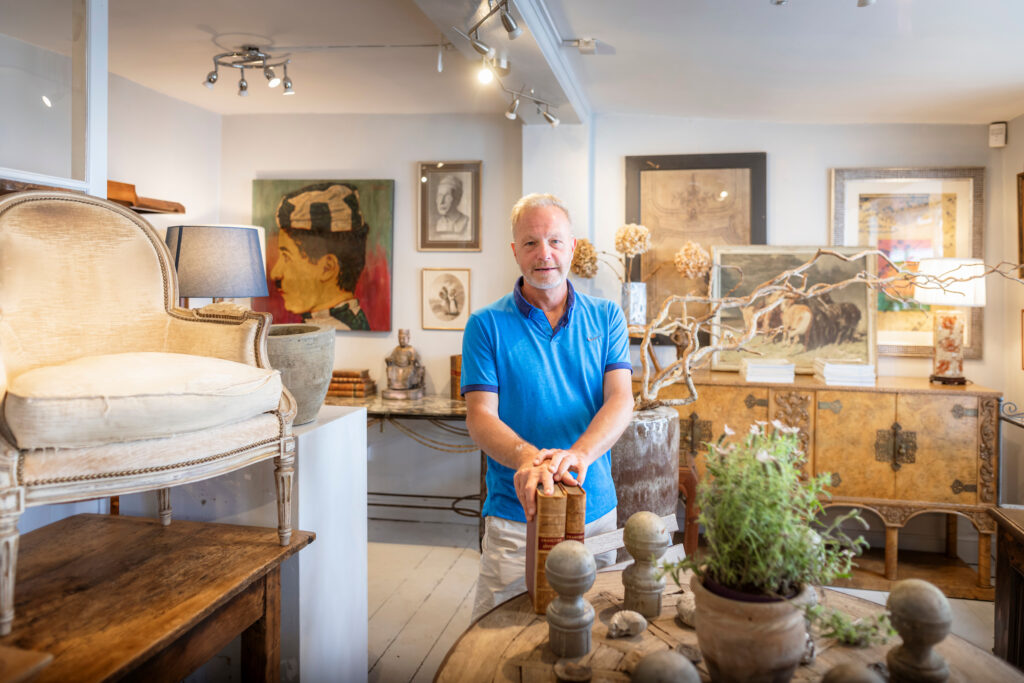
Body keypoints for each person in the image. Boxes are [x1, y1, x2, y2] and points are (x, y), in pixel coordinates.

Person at [460, 193, 635, 620]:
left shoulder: (607, 316)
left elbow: (621, 398)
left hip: (593, 508)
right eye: (532, 243)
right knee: (499, 634)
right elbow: (480, 415)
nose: (545, 254)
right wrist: (526, 457)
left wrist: (580, 455)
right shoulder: (485, 324)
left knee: (592, 632)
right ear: (515, 251)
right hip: (516, 513)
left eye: (555, 241)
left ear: (572, 247)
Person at [270, 182, 371, 330]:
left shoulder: (337, 329)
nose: (275, 274)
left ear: (327, 267)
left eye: (287, 257)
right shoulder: (339, 324)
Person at [383, 328, 425, 399]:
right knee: (390, 369)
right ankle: (394, 386)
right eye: (400, 339)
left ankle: (406, 385)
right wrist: (389, 359)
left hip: (407, 367)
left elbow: (416, 359)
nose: (401, 341)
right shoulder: (397, 349)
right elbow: (392, 357)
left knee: (410, 370)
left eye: (403, 338)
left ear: (408, 338)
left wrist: (413, 359)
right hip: (397, 367)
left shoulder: (411, 349)